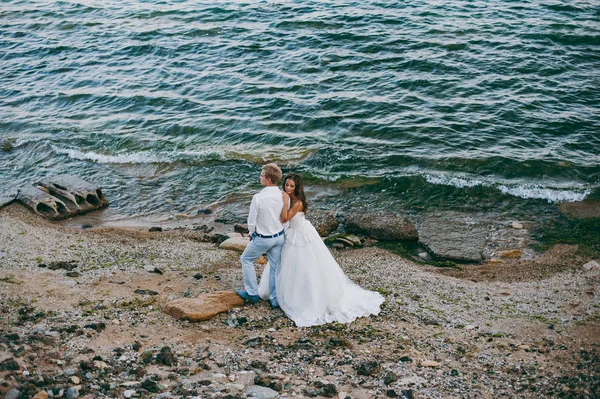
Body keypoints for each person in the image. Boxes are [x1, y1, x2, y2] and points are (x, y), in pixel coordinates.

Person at [258, 173, 384, 327]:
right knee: (282, 265)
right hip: (290, 234)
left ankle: (304, 298)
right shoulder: (287, 198)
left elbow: (284, 219)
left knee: (304, 267)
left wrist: (284, 202)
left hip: (300, 236)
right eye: (286, 185)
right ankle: (276, 292)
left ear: (297, 187)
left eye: (292, 186)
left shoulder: (297, 203)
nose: (288, 188)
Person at [236, 163, 285, 309]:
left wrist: (251, 233)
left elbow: (251, 221)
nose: (260, 177)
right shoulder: (283, 195)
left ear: (268, 180)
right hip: (279, 237)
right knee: (274, 267)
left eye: (262, 175)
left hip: (263, 239)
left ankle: (252, 293)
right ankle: (274, 299)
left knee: (246, 259)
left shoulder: (258, 198)